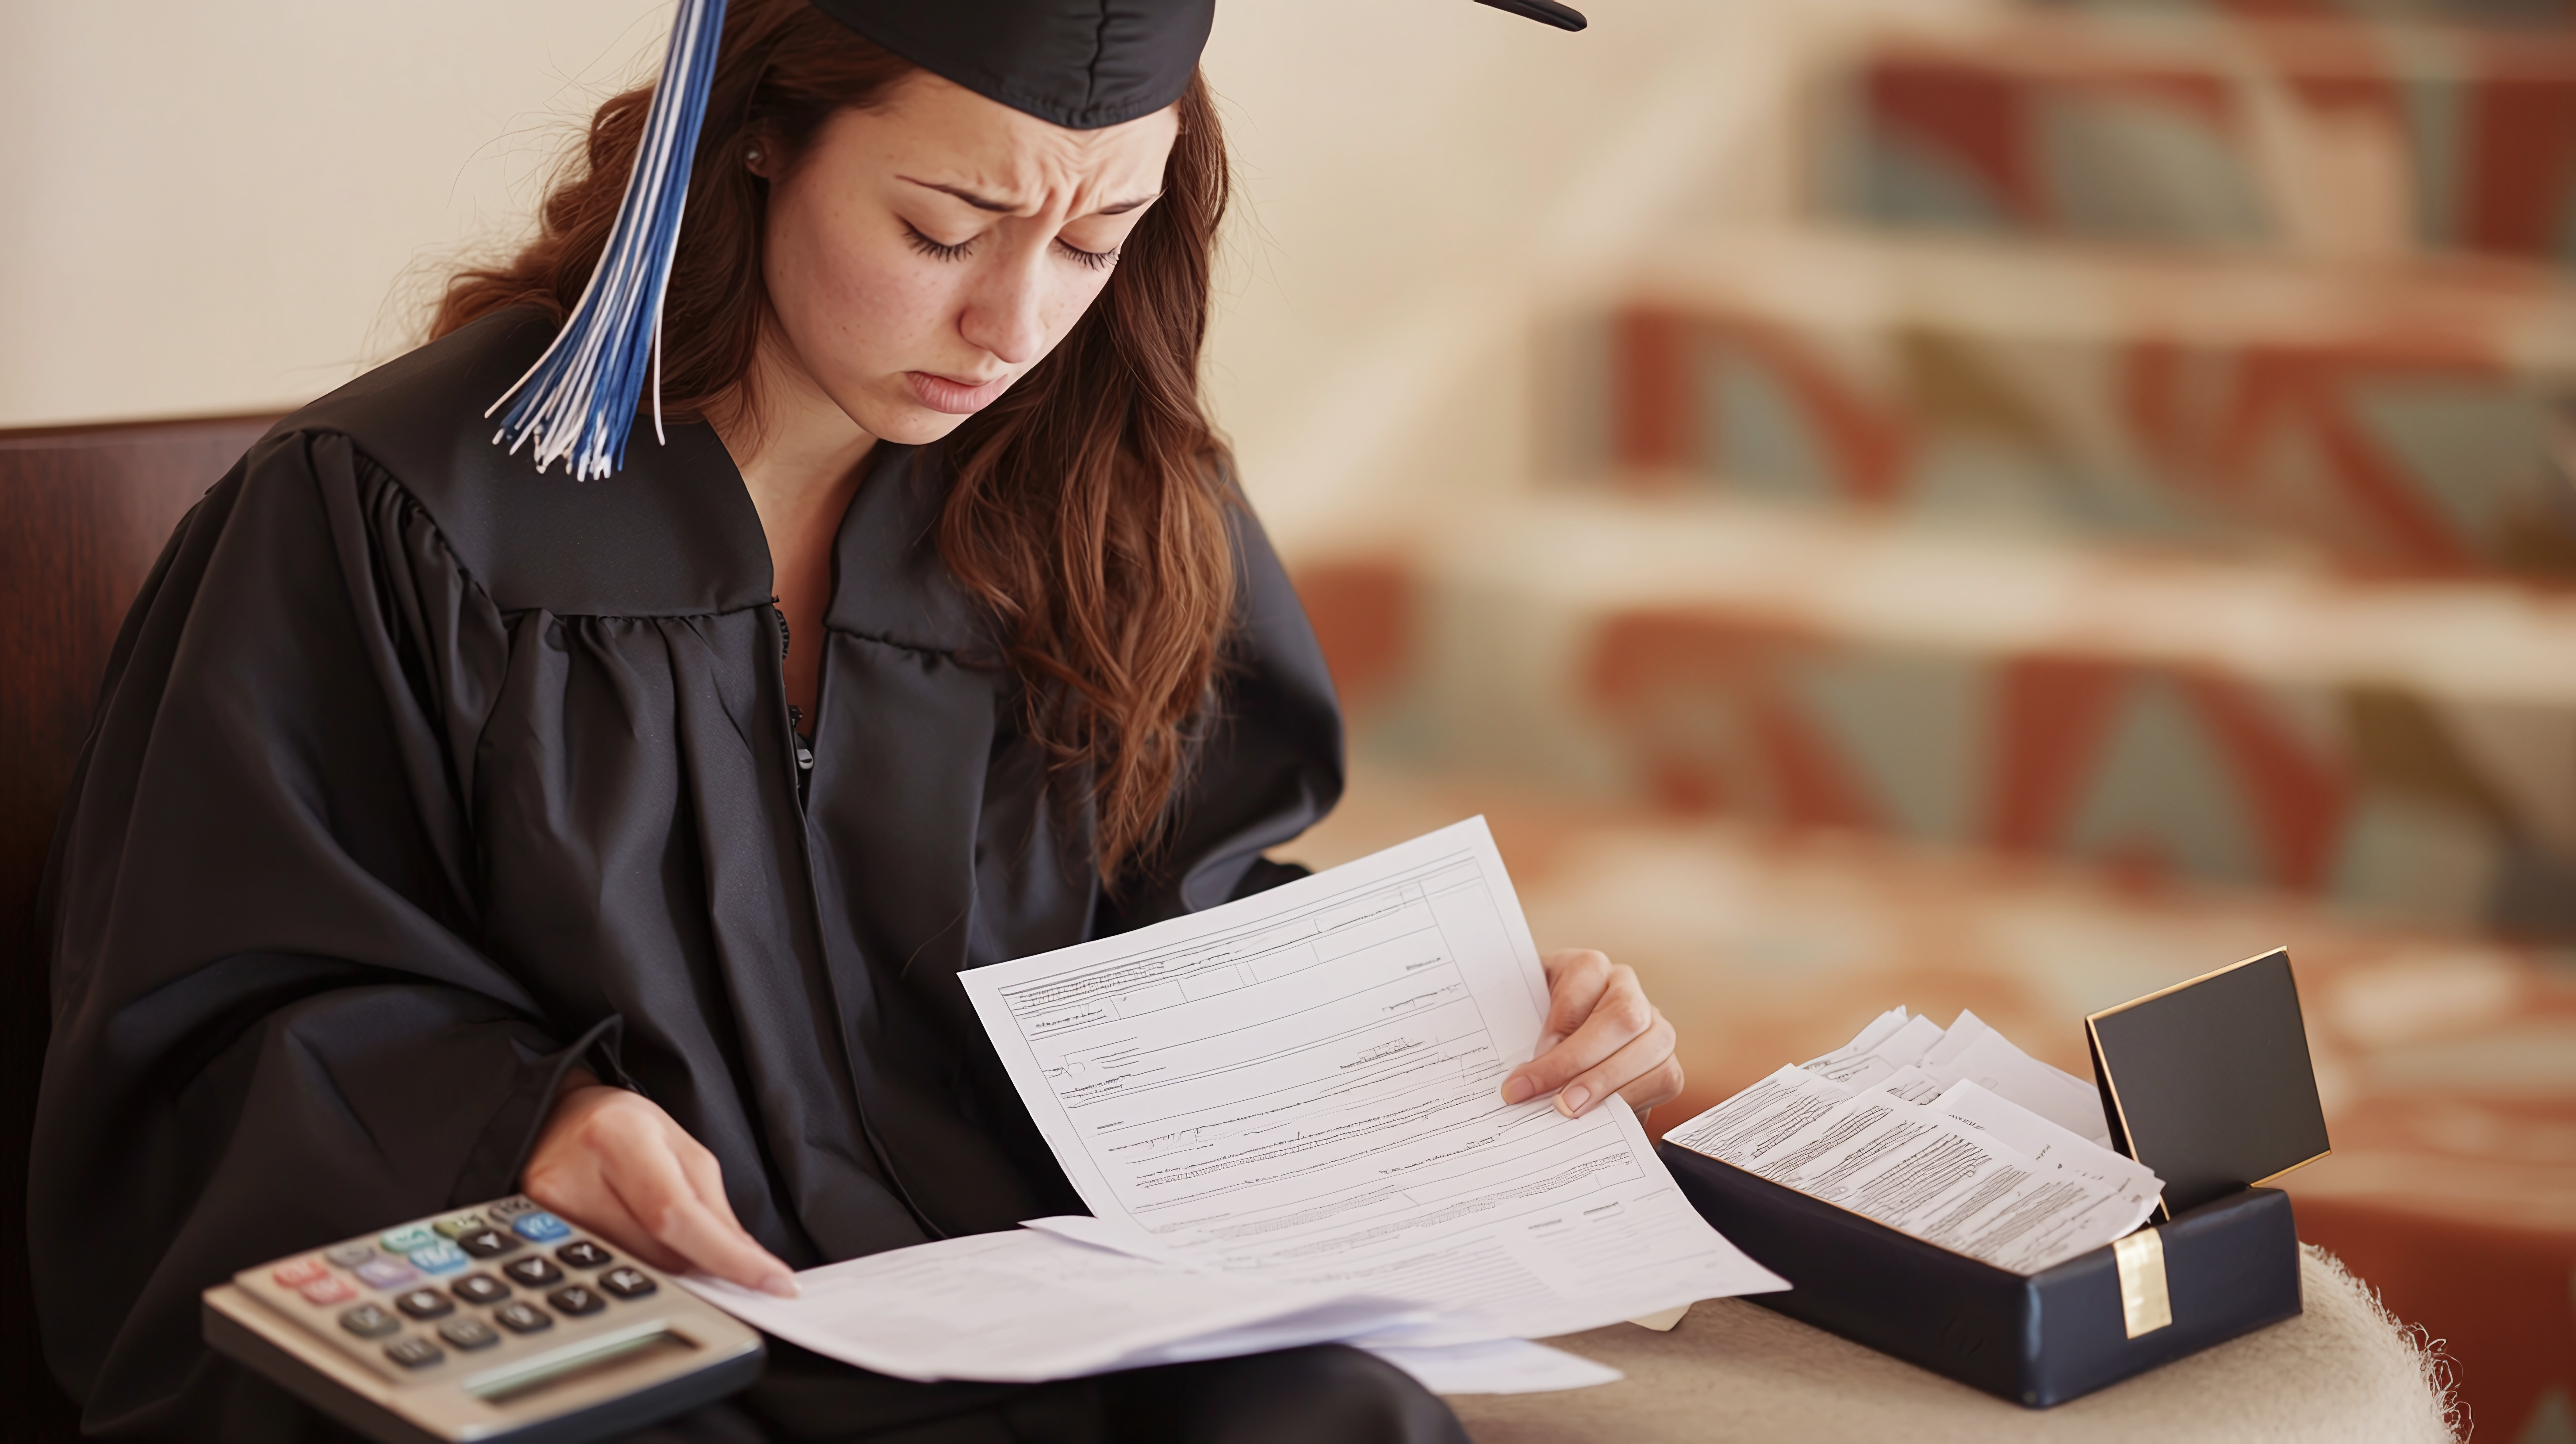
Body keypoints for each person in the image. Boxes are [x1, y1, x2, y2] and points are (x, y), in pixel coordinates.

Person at [30, 0, 1675, 1439]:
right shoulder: (404, 514)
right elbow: (218, 1010)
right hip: (635, 1316)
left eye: (1098, 244)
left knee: (1329, 1414)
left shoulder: (1108, 497)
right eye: (947, 230)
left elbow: (1174, 921)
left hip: (1014, 1294)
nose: (1016, 327)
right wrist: (528, 1121)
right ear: (753, 144)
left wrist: (1463, 1016)